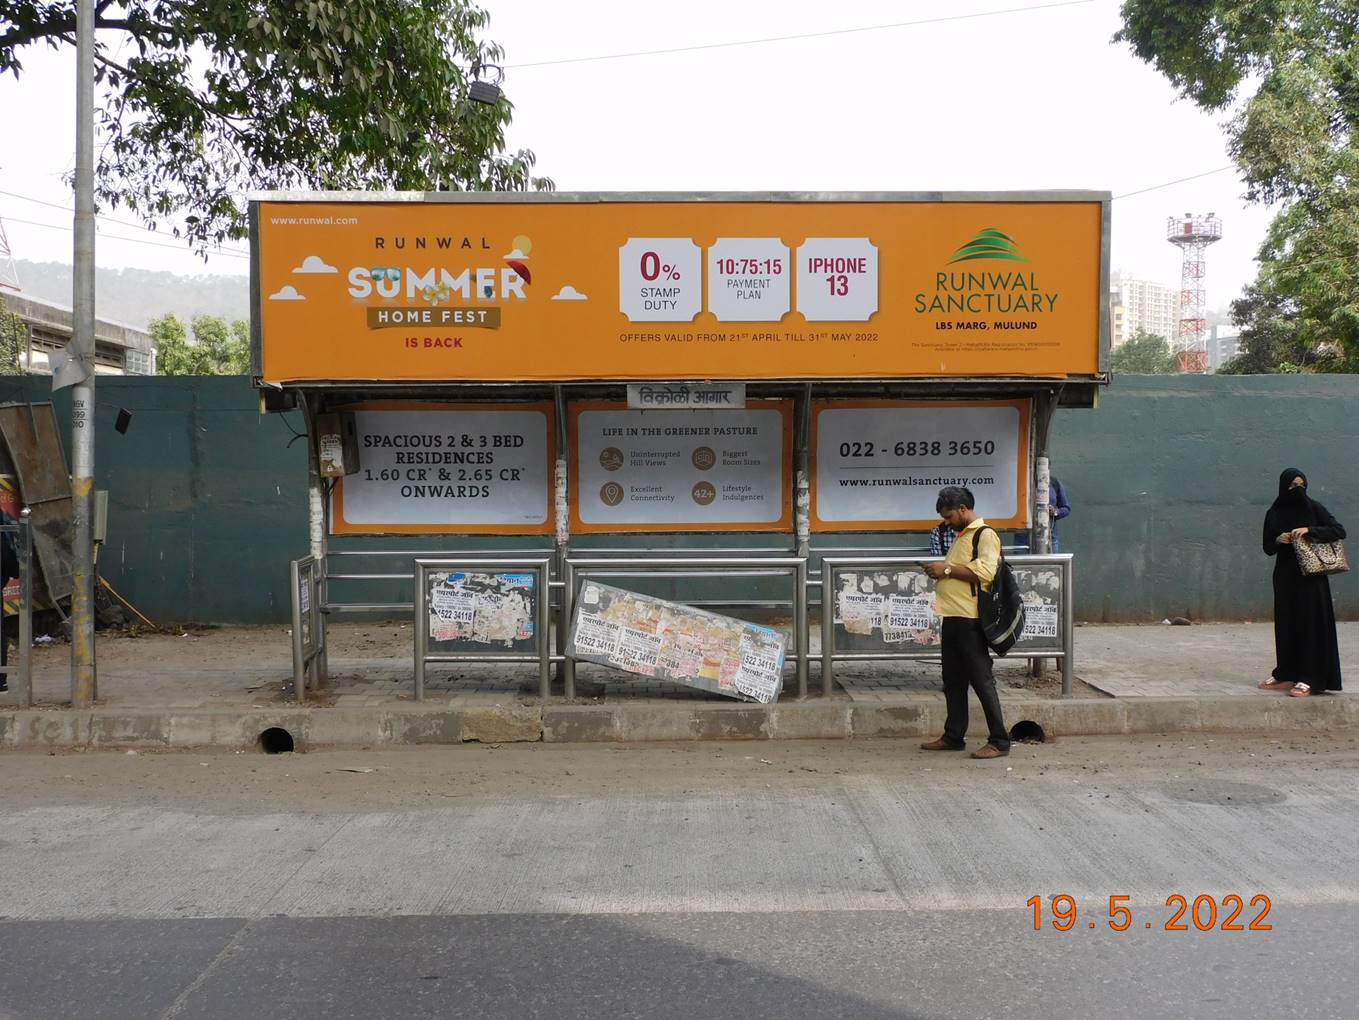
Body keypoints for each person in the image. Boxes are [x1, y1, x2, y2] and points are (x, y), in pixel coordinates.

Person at [919, 486, 1011, 758]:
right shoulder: (961, 535)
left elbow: (985, 572)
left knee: (982, 680)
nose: (946, 522)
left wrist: (945, 569)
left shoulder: (985, 535)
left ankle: (999, 740)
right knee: (953, 680)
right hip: (952, 616)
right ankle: (953, 735)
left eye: (949, 516)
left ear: (963, 509)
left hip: (970, 619)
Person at [1259, 468, 1345, 697]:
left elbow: (1338, 531)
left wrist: (1309, 530)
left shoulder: (1314, 508)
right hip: (1285, 577)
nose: (1298, 488)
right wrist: (1280, 538)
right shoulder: (1274, 513)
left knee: (1311, 625)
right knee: (1286, 624)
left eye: (1301, 484)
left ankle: (1310, 678)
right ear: (1283, 486)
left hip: (1311, 579)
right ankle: (1286, 673)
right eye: (1292, 484)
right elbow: (1267, 547)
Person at [1049, 477, 1071, 551]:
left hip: (1050, 539)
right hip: (1023, 541)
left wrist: (1055, 512)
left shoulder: (1054, 483)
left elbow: (1066, 508)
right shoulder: (1020, 482)